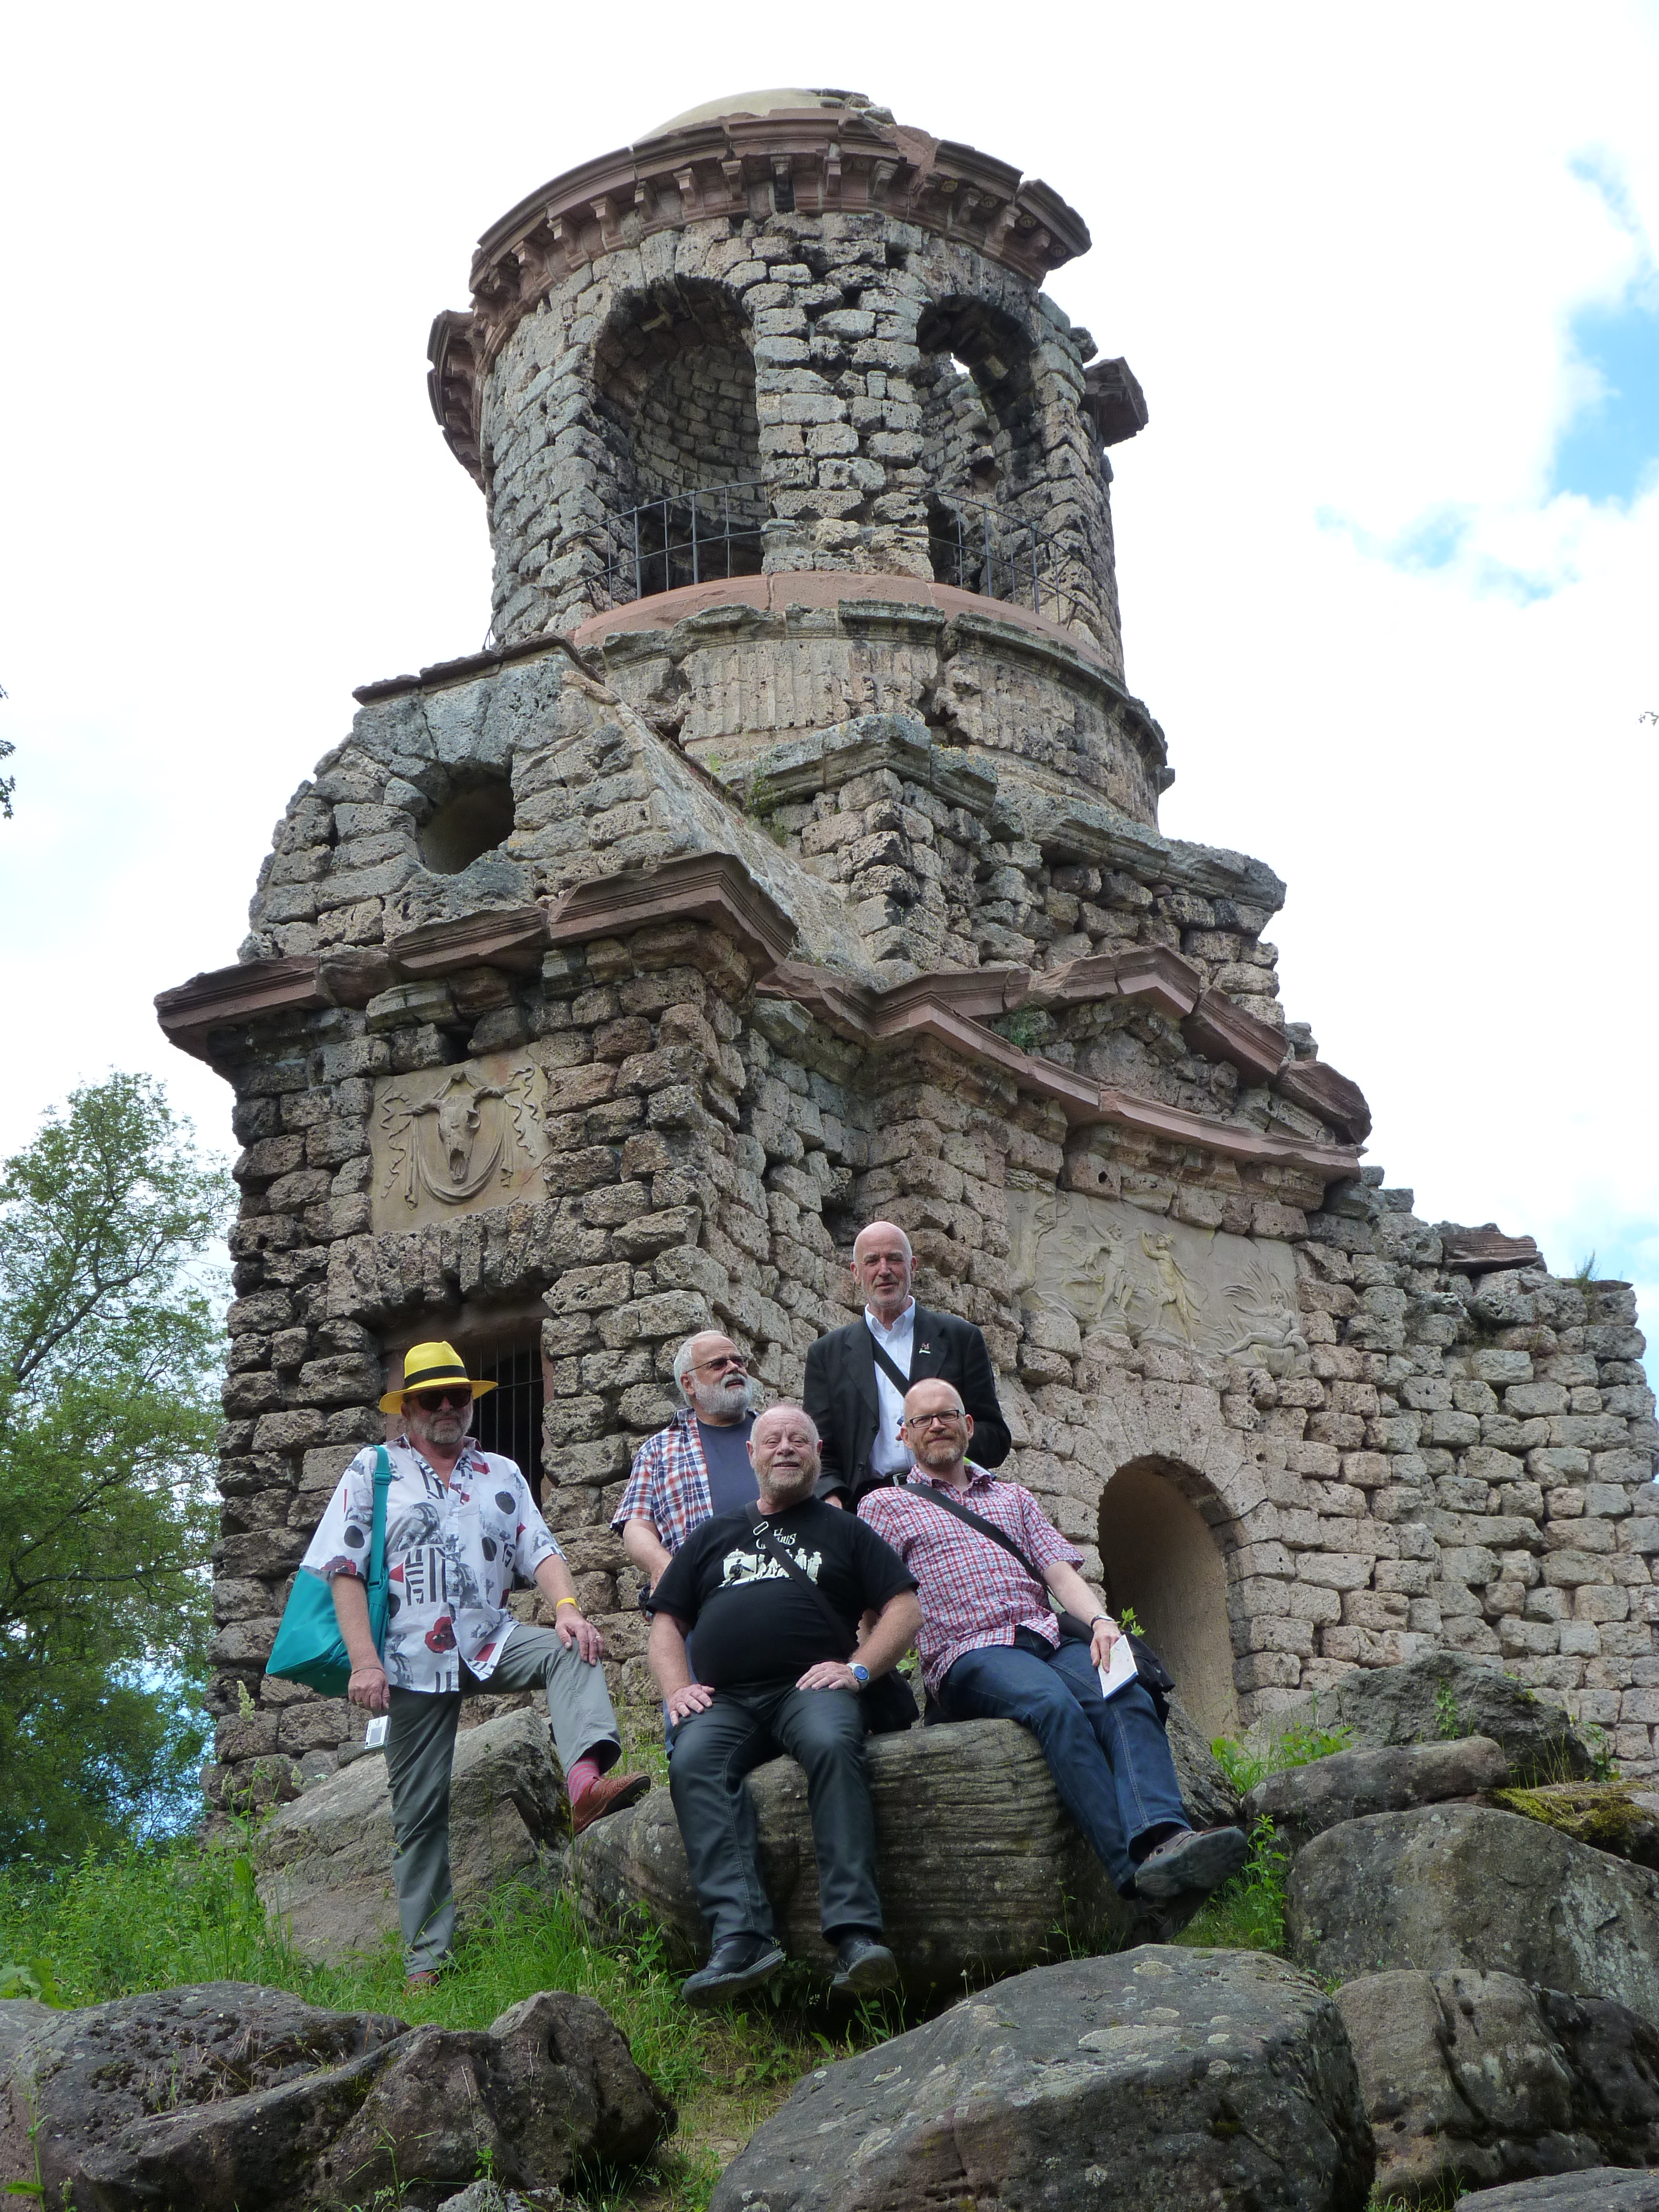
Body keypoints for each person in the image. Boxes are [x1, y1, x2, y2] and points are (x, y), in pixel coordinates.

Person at [301, 1339, 649, 1986]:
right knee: (419, 1810)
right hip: (408, 1660)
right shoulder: (373, 1469)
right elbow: (343, 1570)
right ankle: (428, 1960)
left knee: (572, 1651)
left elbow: (538, 1548)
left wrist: (568, 1607)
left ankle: (583, 1790)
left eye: (457, 1396)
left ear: (470, 1403)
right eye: (431, 1398)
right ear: (406, 1410)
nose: (446, 1408)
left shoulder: (501, 1472)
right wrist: (363, 1662)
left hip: (491, 1637)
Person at [858, 1377, 1248, 1905]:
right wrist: (864, 1677)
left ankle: (1166, 1836)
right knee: (1052, 1705)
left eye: (946, 1414)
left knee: (1125, 1690)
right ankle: (1131, 1872)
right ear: (905, 1435)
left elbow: (1059, 1574)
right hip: (968, 1652)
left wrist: (1103, 1624)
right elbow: (874, 1601)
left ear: (968, 1426)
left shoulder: (1012, 1497)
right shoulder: (884, 1506)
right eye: (922, 1420)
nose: (936, 1426)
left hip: (1043, 1633)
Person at [646, 1402, 922, 2005]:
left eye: (800, 1439)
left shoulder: (845, 1529)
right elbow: (667, 1624)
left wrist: (858, 1668)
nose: (786, 1448)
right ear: (752, 1455)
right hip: (726, 1701)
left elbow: (904, 1608)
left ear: (818, 1454)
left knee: (830, 1743)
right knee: (693, 1762)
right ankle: (743, 1937)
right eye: (772, 1439)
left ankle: (855, 1935)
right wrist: (675, 1690)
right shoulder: (714, 1533)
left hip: (811, 1687)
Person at [804, 1220, 1011, 1508]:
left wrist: (945, 1443)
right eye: (872, 1261)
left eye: (895, 1259)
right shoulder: (826, 1354)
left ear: (912, 1266)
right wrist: (833, 1504)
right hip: (867, 1509)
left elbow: (996, 1438)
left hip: (952, 1501)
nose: (884, 1270)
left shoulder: (960, 1338)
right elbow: (819, 1450)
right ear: (855, 1273)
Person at [612, 1331, 760, 1593]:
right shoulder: (658, 1451)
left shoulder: (779, 1435)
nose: (734, 1368)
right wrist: (663, 1565)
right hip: (702, 1600)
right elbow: (636, 1528)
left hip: (785, 1589)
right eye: (719, 1364)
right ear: (688, 1384)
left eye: (739, 1361)